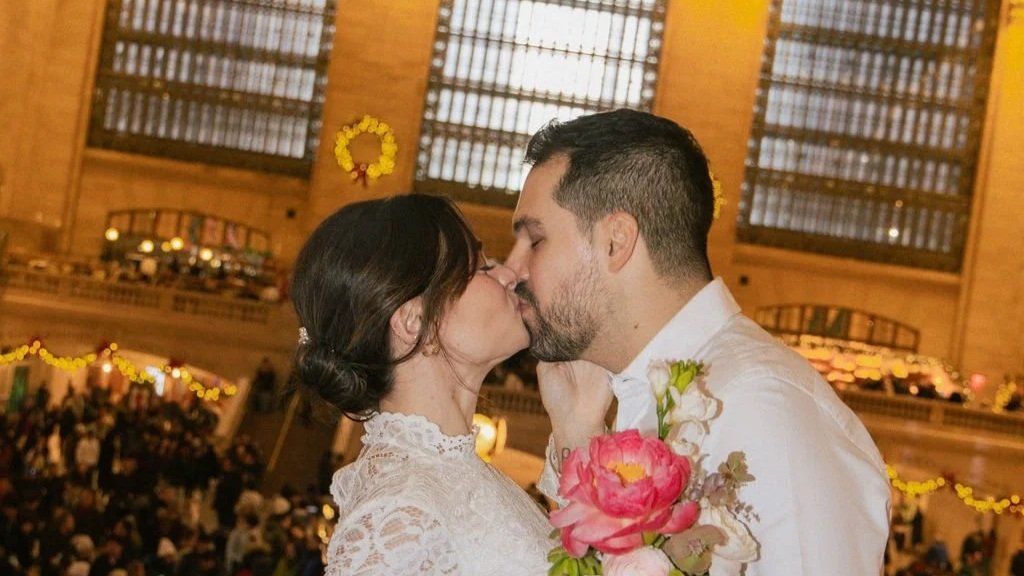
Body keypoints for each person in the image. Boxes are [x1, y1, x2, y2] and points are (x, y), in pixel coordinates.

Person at [504, 109, 891, 575]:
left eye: (535, 240)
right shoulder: (631, 393)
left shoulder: (763, 406)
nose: (512, 269)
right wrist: (576, 437)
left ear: (616, 241)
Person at [291, 194, 552, 575]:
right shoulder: (399, 514)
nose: (509, 276)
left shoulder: (451, 476)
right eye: (480, 268)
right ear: (414, 321)